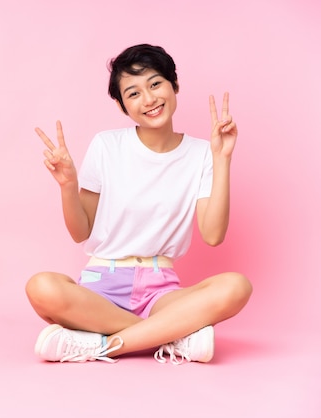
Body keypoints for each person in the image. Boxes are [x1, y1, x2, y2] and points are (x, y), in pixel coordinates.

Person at [25, 44, 252, 364]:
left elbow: (213, 235)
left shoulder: (203, 153)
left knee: (236, 286)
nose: (148, 99)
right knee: (42, 287)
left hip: (161, 293)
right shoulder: (107, 145)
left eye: (155, 84)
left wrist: (223, 159)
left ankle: (101, 346)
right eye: (133, 93)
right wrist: (68, 186)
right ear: (122, 106)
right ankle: (171, 336)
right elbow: (81, 232)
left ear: (174, 85)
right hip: (99, 287)